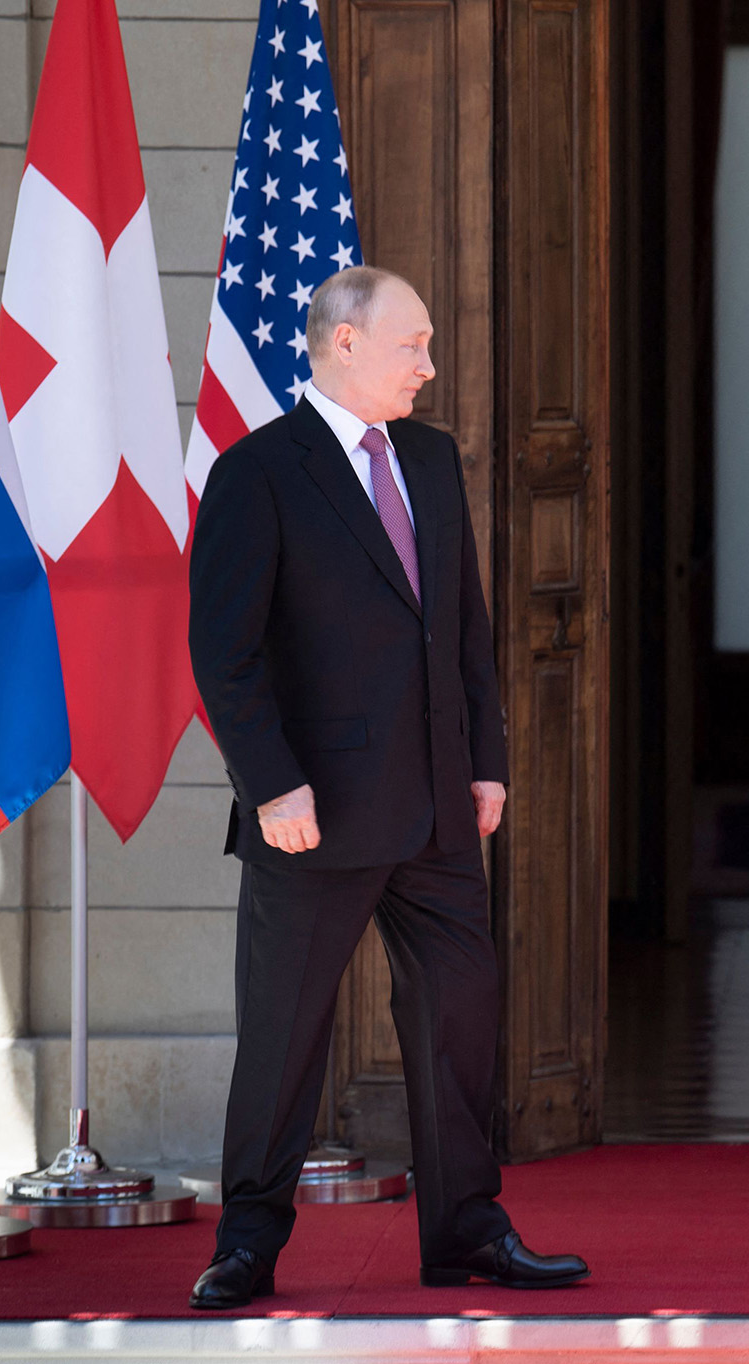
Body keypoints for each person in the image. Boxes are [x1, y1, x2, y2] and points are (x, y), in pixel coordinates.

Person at [187, 266, 588, 1309]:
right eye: (412, 345)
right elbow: (224, 654)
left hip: (436, 807)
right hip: (313, 815)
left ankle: (467, 1233)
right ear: (345, 342)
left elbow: (461, 624)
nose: (429, 365)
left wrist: (485, 758)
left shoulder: (431, 458)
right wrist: (273, 787)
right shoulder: (257, 472)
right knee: (284, 1040)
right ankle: (247, 1244)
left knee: (460, 1020)